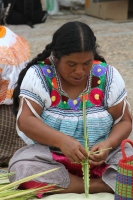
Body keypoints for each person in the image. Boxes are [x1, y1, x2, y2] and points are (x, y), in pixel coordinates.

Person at [8, 21, 132, 196]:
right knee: (21, 169)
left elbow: (125, 120)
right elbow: (26, 121)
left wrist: (107, 145)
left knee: (130, 162)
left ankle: (80, 184)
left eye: (86, 63)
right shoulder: (40, 75)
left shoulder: (106, 75)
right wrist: (61, 141)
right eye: (71, 64)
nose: (80, 71)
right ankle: (102, 185)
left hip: (102, 160)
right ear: (56, 57)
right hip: (52, 157)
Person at [0, 25, 30, 166]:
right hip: (17, 107)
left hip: (5, 113)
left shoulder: (2, 49)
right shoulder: (8, 35)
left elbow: (4, 91)